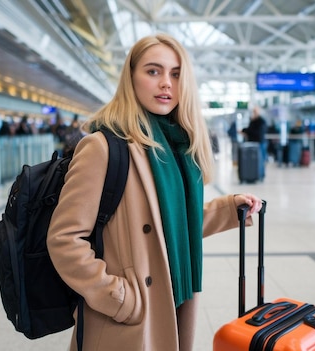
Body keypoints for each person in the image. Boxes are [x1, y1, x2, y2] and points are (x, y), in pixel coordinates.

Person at [46, 33, 263, 351]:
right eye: (153, 71)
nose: (166, 83)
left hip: (174, 300)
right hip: (126, 319)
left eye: (176, 74)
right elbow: (64, 239)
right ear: (131, 77)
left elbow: (168, 226)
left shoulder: (179, 148)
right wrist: (117, 297)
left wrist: (228, 210)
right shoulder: (104, 147)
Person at [241, 106, 268, 179]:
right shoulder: (253, 121)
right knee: (254, 161)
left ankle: (260, 175)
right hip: (253, 144)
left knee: (260, 160)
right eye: (254, 111)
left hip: (260, 144)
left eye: (255, 111)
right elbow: (250, 129)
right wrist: (244, 131)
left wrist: (246, 131)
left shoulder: (261, 121)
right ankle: (254, 175)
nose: (254, 113)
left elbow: (256, 132)